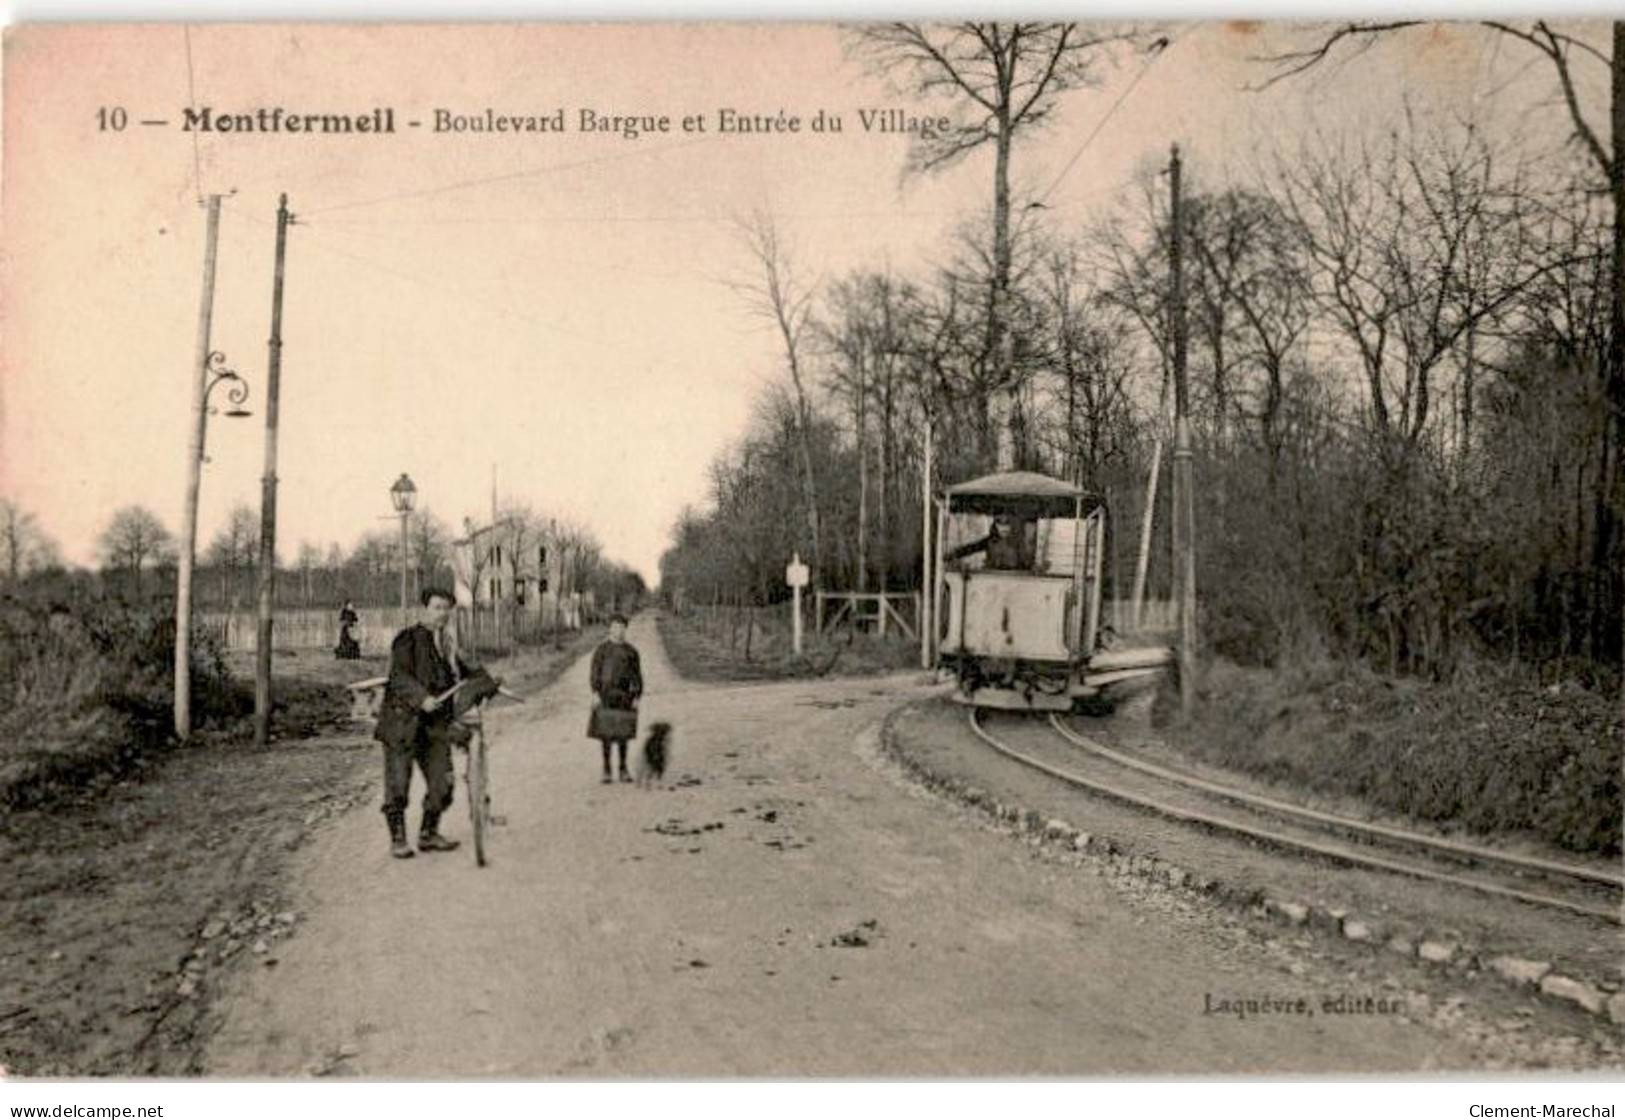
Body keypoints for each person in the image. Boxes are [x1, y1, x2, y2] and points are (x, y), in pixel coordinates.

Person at [373, 587, 480, 858]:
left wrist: (489, 683)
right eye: (437, 607)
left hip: (434, 727)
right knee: (398, 785)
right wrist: (421, 698)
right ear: (425, 609)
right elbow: (398, 677)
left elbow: (468, 672)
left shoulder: (448, 644)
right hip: (402, 723)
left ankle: (428, 833)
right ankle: (398, 839)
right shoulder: (406, 640)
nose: (442, 614)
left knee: (443, 783)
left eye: (446, 609)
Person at [588, 612, 643, 784]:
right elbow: (595, 673)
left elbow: (637, 676)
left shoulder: (631, 652)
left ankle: (623, 769)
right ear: (610, 629)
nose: (618, 630)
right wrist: (595, 693)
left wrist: (636, 696)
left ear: (625, 629)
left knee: (623, 734)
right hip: (606, 695)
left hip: (625, 696)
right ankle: (606, 769)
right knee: (605, 734)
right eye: (615, 627)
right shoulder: (602, 650)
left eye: (621, 627)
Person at [946, 514, 1034, 571]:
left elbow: (1025, 564)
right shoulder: (990, 541)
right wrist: (953, 554)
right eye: (1000, 524)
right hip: (991, 580)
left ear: (1012, 526)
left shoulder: (1018, 543)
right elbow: (972, 548)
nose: (1003, 528)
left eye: (1007, 524)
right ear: (995, 526)